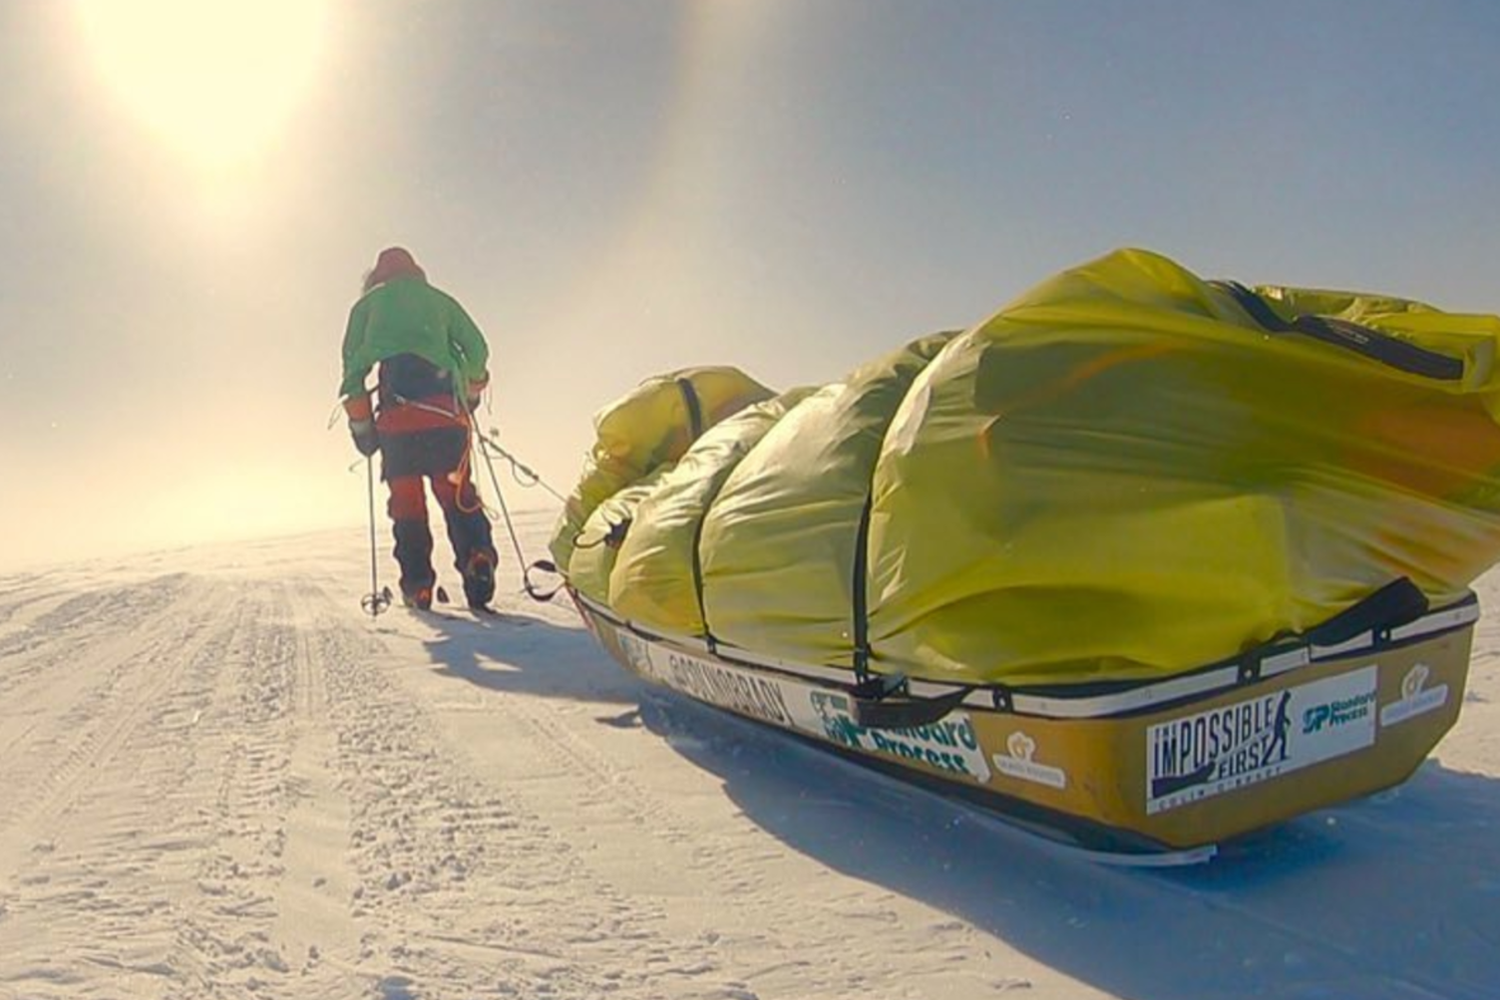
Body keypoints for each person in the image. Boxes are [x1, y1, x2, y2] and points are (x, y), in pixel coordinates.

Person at [339, 246, 499, 611]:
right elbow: (477, 350)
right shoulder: (440, 302)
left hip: (397, 423)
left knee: (407, 505)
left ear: (377, 279)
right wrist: (471, 392)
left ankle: (418, 586)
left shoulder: (367, 308)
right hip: (445, 418)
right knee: (458, 495)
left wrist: (362, 427)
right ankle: (477, 556)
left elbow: (352, 372)